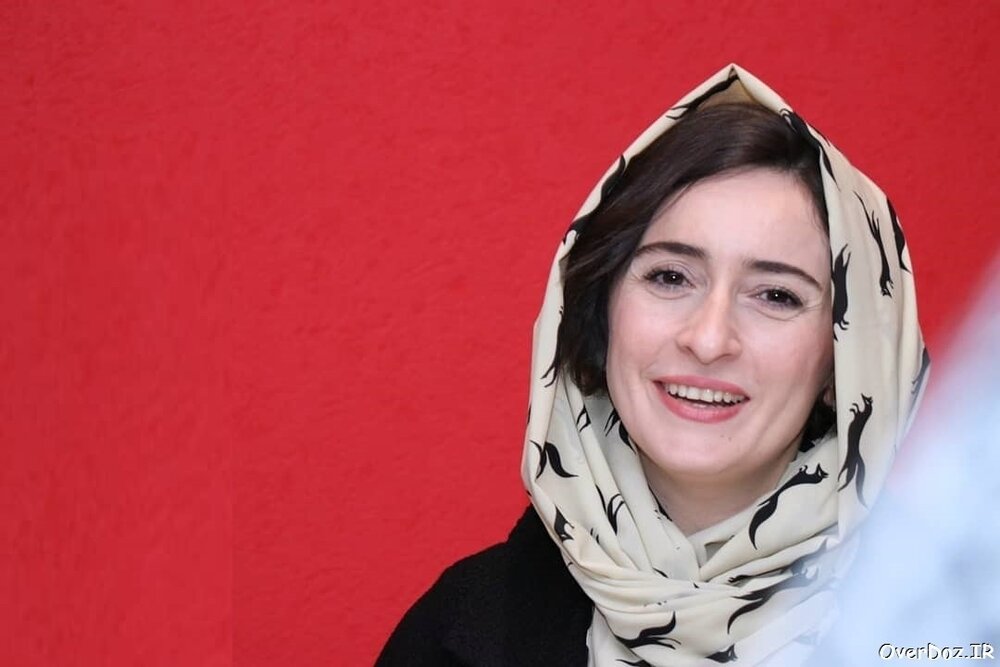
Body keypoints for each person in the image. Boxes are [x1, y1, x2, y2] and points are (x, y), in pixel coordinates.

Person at [377, 64, 928, 666]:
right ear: (601, 309)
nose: (709, 339)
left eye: (776, 295)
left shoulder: (961, 620)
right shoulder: (455, 635)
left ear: (847, 359)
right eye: (670, 277)